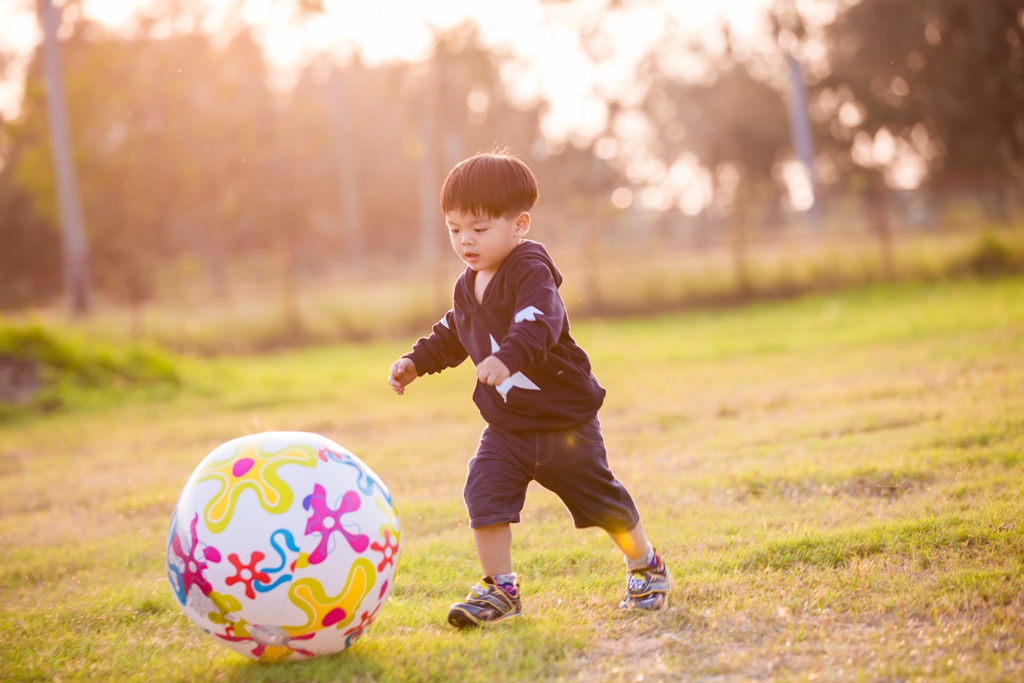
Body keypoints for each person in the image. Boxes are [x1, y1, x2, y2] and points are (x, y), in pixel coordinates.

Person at [388, 151, 670, 628]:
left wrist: (506, 357)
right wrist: (417, 361)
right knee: (484, 491)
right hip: (509, 428)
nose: (466, 241)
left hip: (565, 425)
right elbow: (454, 332)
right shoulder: (467, 285)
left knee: (602, 501)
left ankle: (645, 565)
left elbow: (539, 321)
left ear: (519, 224)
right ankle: (501, 588)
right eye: (455, 229)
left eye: (479, 228)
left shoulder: (530, 271)